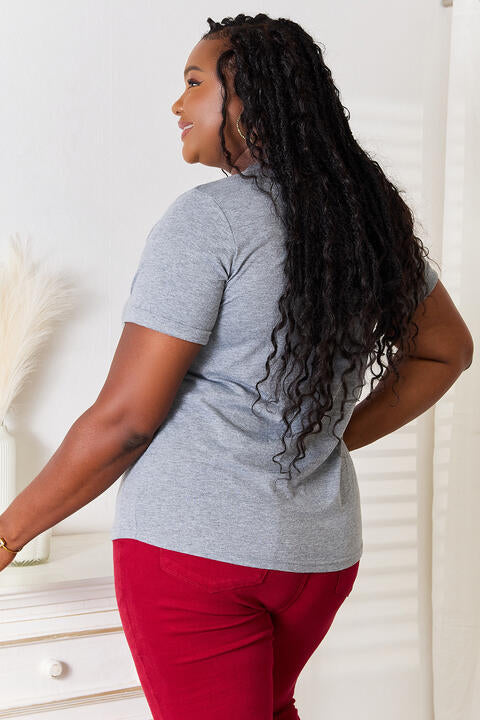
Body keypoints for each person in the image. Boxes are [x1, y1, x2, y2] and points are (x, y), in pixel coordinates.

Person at [0, 13, 474, 720]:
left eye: (194, 83)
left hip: (196, 556)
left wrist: (7, 534)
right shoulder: (365, 223)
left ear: (248, 98)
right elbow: (447, 349)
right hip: (317, 559)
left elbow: (125, 421)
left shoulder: (211, 219)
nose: (177, 103)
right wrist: (326, 436)